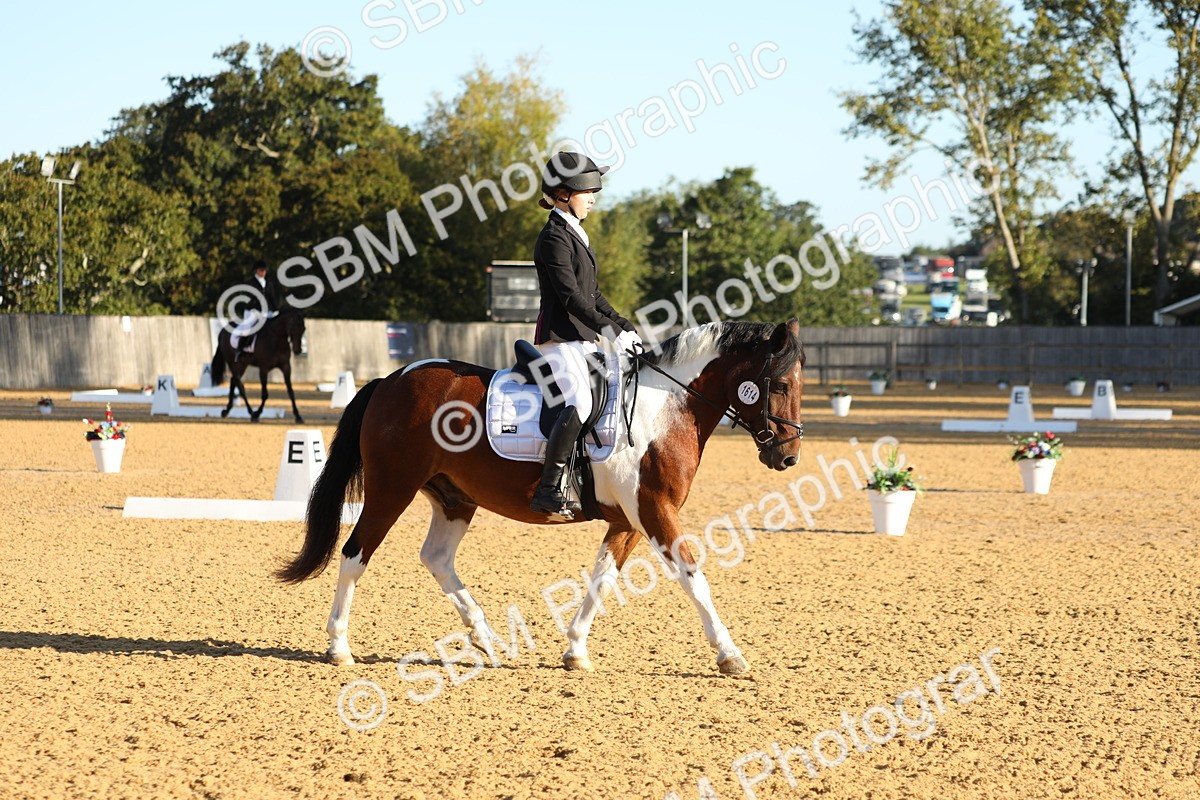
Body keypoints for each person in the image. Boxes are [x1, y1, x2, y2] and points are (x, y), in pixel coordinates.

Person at [528, 152, 642, 518]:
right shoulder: (553, 238)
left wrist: (623, 326)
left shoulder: (576, 233)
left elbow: (593, 295)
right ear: (563, 194)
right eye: (587, 191)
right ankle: (548, 488)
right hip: (558, 338)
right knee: (579, 401)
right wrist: (610, 331)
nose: (593, 198)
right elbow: (571, 298)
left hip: (582, 340)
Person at [231, 259, 281, 359]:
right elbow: (249, 299)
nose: (263, 272)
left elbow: (272, 298)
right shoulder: (250, 283)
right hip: (252, 311)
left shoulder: (269, 284)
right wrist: (257, 309)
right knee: (248, 330)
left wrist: (276, 309)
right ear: (256, 271)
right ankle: (240, 350)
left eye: (264, 270)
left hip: (266, 312)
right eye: (261, 270)